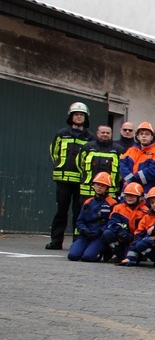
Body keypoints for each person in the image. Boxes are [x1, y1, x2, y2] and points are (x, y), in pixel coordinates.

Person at [47, 102, 94, 250]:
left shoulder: (90, 138)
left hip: (81, 180)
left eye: (81, 115)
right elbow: (54, 153)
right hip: (63, 179)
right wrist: (61, 165)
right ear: (71, 116)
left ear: (86, 118)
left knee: (78, 212)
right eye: (76, 114)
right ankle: (56, 241)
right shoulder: (61, 134)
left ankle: (77, 241)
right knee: (61, 210)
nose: (79, 117)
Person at [121, 186, 155, 267]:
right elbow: (138, 236)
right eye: (152, 202)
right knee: (139, 245)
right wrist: (130, 257)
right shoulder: (147, 217)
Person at [66, 172, 115, 262]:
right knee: (73, 256)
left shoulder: (112, 203)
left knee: (88, 257)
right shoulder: (87, 202)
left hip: (99, 235)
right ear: (94, 185)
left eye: (103, 185)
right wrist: (83, 230)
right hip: (86, 234)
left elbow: (111, 223)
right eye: (97, 184)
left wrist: (100, 231)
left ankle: (106, 249)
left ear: (107, 188)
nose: (99, 187)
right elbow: (80, 221)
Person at [103, 182, 147, 262]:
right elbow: (112, 222)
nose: (129, 198)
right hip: (121, 237)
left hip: (135, 239)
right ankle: (118, 253)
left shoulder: (145, 211)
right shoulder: (118, 208)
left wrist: (132, 236)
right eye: (127, 195)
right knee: (108, 233)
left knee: (131, 258)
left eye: (132, 196)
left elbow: (145, 230)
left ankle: (137, 255)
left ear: (140, 197)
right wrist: (121, 231)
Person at [77, 123, 122, 199]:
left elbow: (122, 169)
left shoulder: (119, 150)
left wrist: (117, 180)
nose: (105, 134)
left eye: (107, 133)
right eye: (102, 132)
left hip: (110, 191)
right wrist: (85, 176)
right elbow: (79, 164)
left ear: (111, 134)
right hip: (88, 190)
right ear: (97, 133)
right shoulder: (88, 147)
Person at [120, 121, 155, 194]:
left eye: (147, 134)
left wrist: (133, 179)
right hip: (128, 189)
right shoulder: (131, 150)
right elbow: (122, 165)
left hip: (145, 191)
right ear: (137, 136)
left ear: (152, 137)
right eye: (141, 134)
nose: (144, 136)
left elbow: (152, 172)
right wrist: (130, 179)